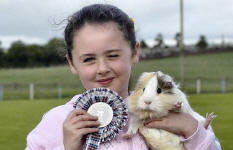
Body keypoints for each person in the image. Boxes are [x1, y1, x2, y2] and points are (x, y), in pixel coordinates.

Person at [25, 4, 222, 150]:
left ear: (134, 52)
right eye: (88, 59)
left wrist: (194, 133)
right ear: (71, 63)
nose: (102, 68)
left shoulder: (168, 113)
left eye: (113, 56)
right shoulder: (55, 123)